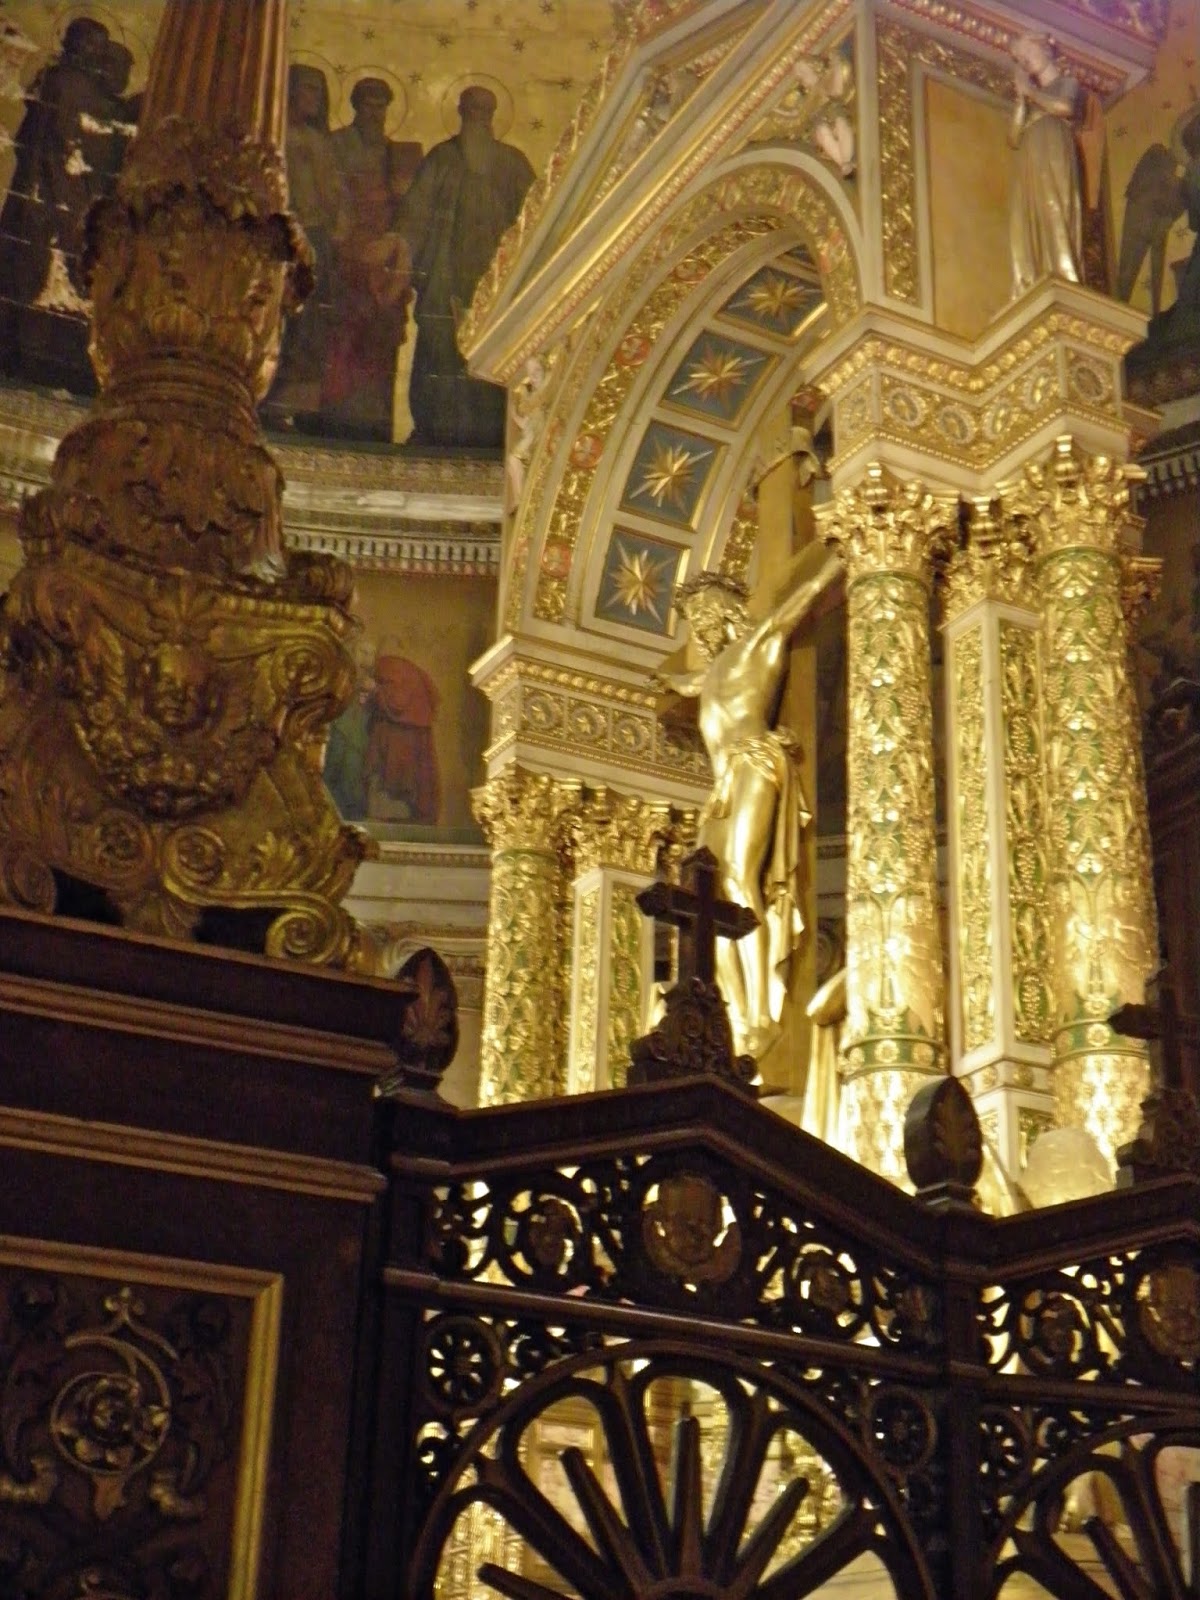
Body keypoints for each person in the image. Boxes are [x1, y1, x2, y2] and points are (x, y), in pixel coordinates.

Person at [656, 547, 843, 1059]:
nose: (700, 626)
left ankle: (762, 1011)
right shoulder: (709, 675)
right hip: (721, 787)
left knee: (740, 879)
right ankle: (734, 1015)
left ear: (726, 610)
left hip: (756, 763)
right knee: (707, 894)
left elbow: (799, 603)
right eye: (693, 618)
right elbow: (688, 684)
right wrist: (668, 683)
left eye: (705, 612)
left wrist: (839, 559)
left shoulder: (758, 645)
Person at [396, 85, 535, 447]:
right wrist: (400, 248)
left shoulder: (512, 163)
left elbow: (538, 216)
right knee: (439, 349)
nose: (479, 117)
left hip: (497, 281)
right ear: (460, 111)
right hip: (446, 277)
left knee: (494, 351)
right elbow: (415, 212)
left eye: (485, 111)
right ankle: (435, 429)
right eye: (473, 109)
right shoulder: (442, 159)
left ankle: (492, 433)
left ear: (493, 117)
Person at [320, 77, 421, 438]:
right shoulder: (335, 145)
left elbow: (409, 209)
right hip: (344, 256)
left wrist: (394, 242)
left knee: (379, 340)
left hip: (383, 262)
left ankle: (372, 420)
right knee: (340, 337)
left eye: (382, 107)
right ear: (356, 106)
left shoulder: (396, 154)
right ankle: (330, 416)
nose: (375, 114)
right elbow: (327, 197)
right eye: (369, 105)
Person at [266, 64, 344, 422]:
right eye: (308, 88)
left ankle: (293, 406)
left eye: (318, 90)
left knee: (309, 326)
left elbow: (335, 195)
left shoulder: (320, 142)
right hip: (279, 236)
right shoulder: (275, 132)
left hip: (315, 238)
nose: (314, 97)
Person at [1008, 32, 1084, 296]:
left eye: (1028, 52)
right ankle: (1031, 281)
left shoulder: (1066, 82)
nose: (1025, 61)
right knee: (1026, 219)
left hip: (1053, 152)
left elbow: (1065, 107)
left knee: (1055, 209)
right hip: (1029, 160)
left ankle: (1063, 275)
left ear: (1045, 50)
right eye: (1020, 59)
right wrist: (1021, 101)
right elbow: (1013, 137)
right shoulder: (1031, 103)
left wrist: (1031, 92)